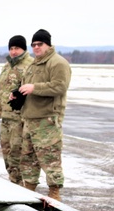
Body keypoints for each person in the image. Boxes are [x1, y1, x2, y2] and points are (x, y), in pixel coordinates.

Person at [14, 28, 71, 201]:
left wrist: (35, 88)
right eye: (34, 45)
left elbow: (60, 86)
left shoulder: (57, 63)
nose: (36, 48)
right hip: (30, 118)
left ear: (48, 44)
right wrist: (17, 94)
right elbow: (26, 86)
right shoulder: (34, 64)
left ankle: (54, 191)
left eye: (40, 44)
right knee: (28, 158)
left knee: (49, 158)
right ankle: (29, 188)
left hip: (47, 119)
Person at [0, 34, 33, 185]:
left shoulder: (30, 66)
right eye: (11, 48)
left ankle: (21, 185)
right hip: (5, 118)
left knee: (17, 154)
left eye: (17, 48)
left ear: (24, 49)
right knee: (6, 154)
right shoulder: (7, 66)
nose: (13, 52)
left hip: (19, 119)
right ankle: (13, 182)